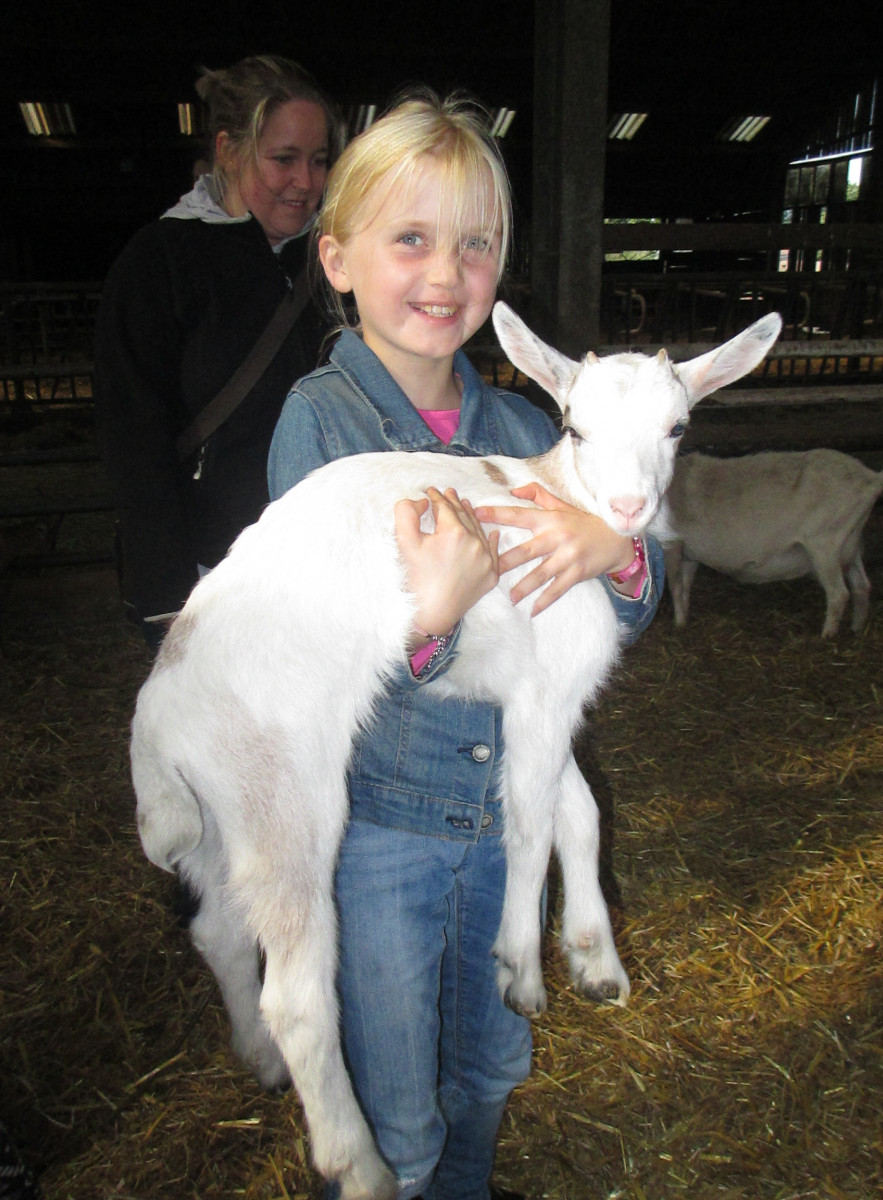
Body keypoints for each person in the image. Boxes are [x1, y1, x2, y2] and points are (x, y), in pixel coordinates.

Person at [267, 93, 664, 1200]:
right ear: (337, 259)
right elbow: (315, 633)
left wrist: (616, 553)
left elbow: (612, 616)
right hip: (380, 832)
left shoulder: (536, 431)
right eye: (411, 238)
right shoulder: (322, 424)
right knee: (397, 1110)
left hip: (504, 824)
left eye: (476, 244)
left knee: (489, 1069)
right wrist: (429, 624)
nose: (447, 273)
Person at [94, 55, 342, 648]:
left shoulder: (337, 264)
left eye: (318, 160)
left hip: (328, 567)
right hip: (216, 573)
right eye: (283, 159)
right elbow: (134, 437)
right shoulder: (161, 263)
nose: (306, 182)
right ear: (229, 150)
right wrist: (165, 596)